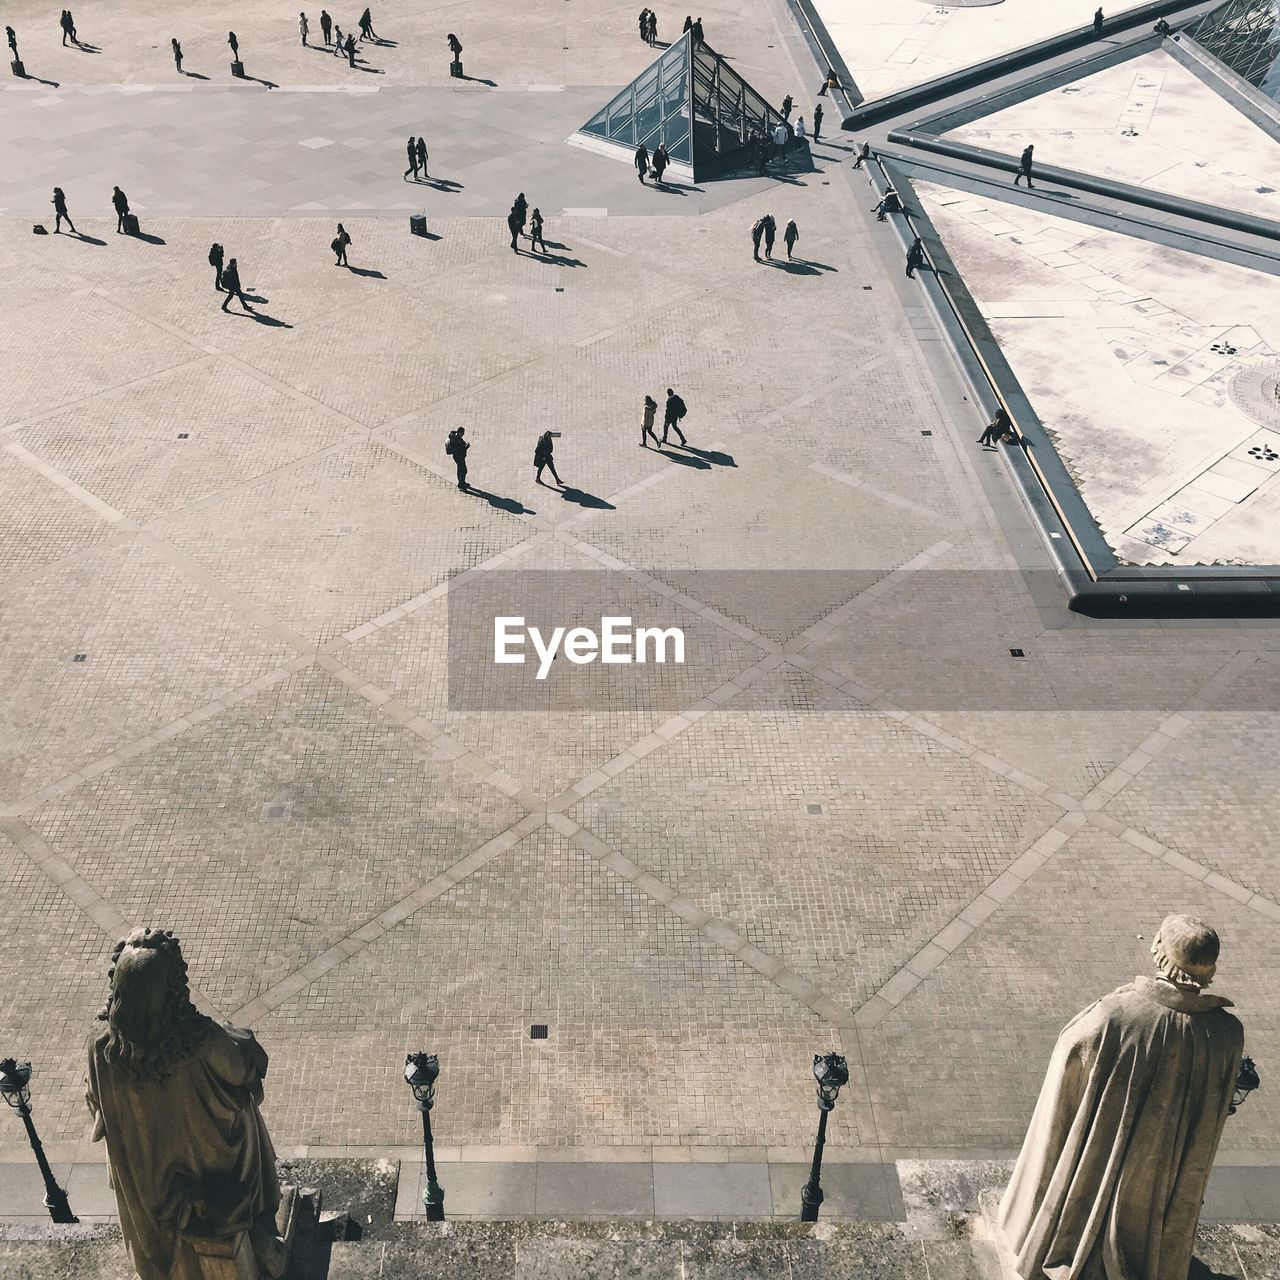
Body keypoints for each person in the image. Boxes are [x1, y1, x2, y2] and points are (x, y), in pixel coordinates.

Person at [997, 915, 1244, 1280]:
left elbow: (1065, 1077)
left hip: (1100, 1149)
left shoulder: (1113, 1016)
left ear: (1160, 952)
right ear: (1209, 970)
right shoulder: (1227, 1033)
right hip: (1163, 1164)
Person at [85, 928, 286, 1280]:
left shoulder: (102, 1048)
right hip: (215, 1163)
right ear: (172, 987)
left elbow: (96, 1105)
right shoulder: (200, 1039)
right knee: (245, 1114)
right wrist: (242, 1040)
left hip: (148, 1178)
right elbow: (242, 1073)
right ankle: (261, 1226)